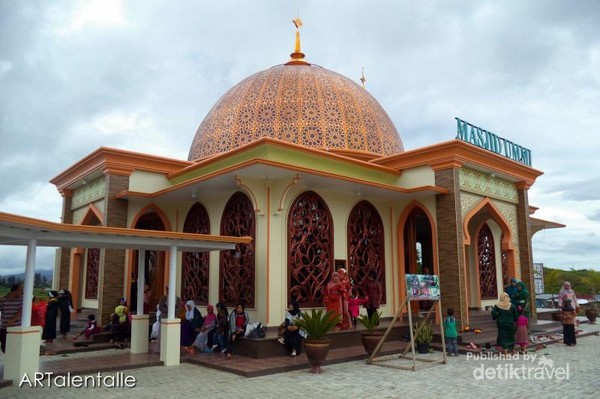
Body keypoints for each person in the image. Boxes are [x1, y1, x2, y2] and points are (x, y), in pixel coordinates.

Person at [0, 283, 23, 353]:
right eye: (20, 290)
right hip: (3, 328)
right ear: (14, 291)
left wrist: (12, 321)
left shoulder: (22, 299)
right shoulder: (3, 300)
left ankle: (13, 362)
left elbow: (20, 312)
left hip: (16, 328)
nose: (22, 292)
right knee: (4, 347)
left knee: (14, 347)